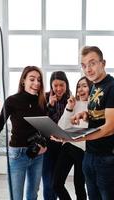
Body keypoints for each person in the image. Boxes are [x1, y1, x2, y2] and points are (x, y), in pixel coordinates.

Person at [71, 46, 114, 200]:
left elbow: (110, 128)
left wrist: (75, 137)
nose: (88, 69)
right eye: (84, 65)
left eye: (92, 63)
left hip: (108, 157)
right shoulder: (95, 86)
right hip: (90, 154)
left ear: (103, 63)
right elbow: (98, 115)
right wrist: (85, 114)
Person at [0, 66, 47, 200]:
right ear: (23, 80)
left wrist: (44, 145)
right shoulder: (12, 101)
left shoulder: (42, 101)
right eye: (32, 79)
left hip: (37, 154)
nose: (36, 83)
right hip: (17, 155)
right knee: (16, 196)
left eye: (39, 80)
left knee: (32, 195)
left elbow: (45, 128)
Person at [53, 76, 93, 200]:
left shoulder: (94, 105)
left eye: (84, 86)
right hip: (68, 147)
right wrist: (69, 107)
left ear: (92, 88)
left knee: (79, 186)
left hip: (83, 151)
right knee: (56, 184)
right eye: (78, 86)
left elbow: (89, 130)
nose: (80, 89)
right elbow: (61, 127)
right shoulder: (73, 103)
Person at [43, 71, 71, 200]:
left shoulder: (71, 99)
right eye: (55, 85)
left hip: (64, 146)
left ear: (66, 84)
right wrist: (50, 105)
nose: (59, 89)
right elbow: (41, 122)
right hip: (48, 145)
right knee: (48, 183)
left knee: (57, 183)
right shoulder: (45, 97)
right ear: (51, 86)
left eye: (62, 85)